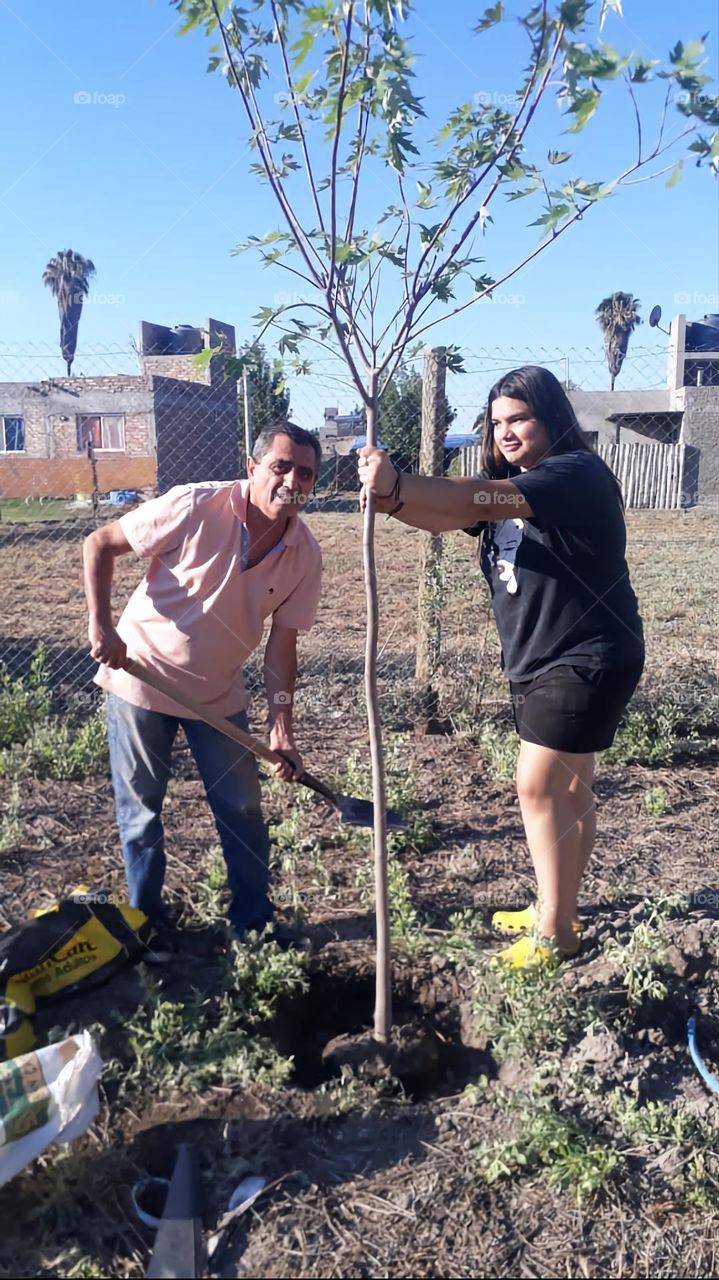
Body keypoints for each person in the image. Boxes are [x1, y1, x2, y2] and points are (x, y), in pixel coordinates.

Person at [359, 366, 645, 968]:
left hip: (585, 653)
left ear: (552, 419)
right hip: (542, 657)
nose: (505, 433)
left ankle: (557, 934)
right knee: (572, 787)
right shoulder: (509, 486)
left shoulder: (573, 474)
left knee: (537, 785)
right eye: (496, 423)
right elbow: (447, 514)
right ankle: (554, 906)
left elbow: (471, 499)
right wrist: (391, 501)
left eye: (519, 419)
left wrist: (400, 482)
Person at [83, 421, 323, 947]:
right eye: (281, 466)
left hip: (216, 693)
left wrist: (280, 727)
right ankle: (146, 925)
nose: (292, 481)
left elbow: (283, 648)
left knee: (242, 809)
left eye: (305, 473)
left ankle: (253, 924)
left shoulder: (304, 552)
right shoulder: (195, 505)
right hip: (139, 678)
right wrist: (102, 626)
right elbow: (100, 544)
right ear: (253, 467)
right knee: (142, 810)